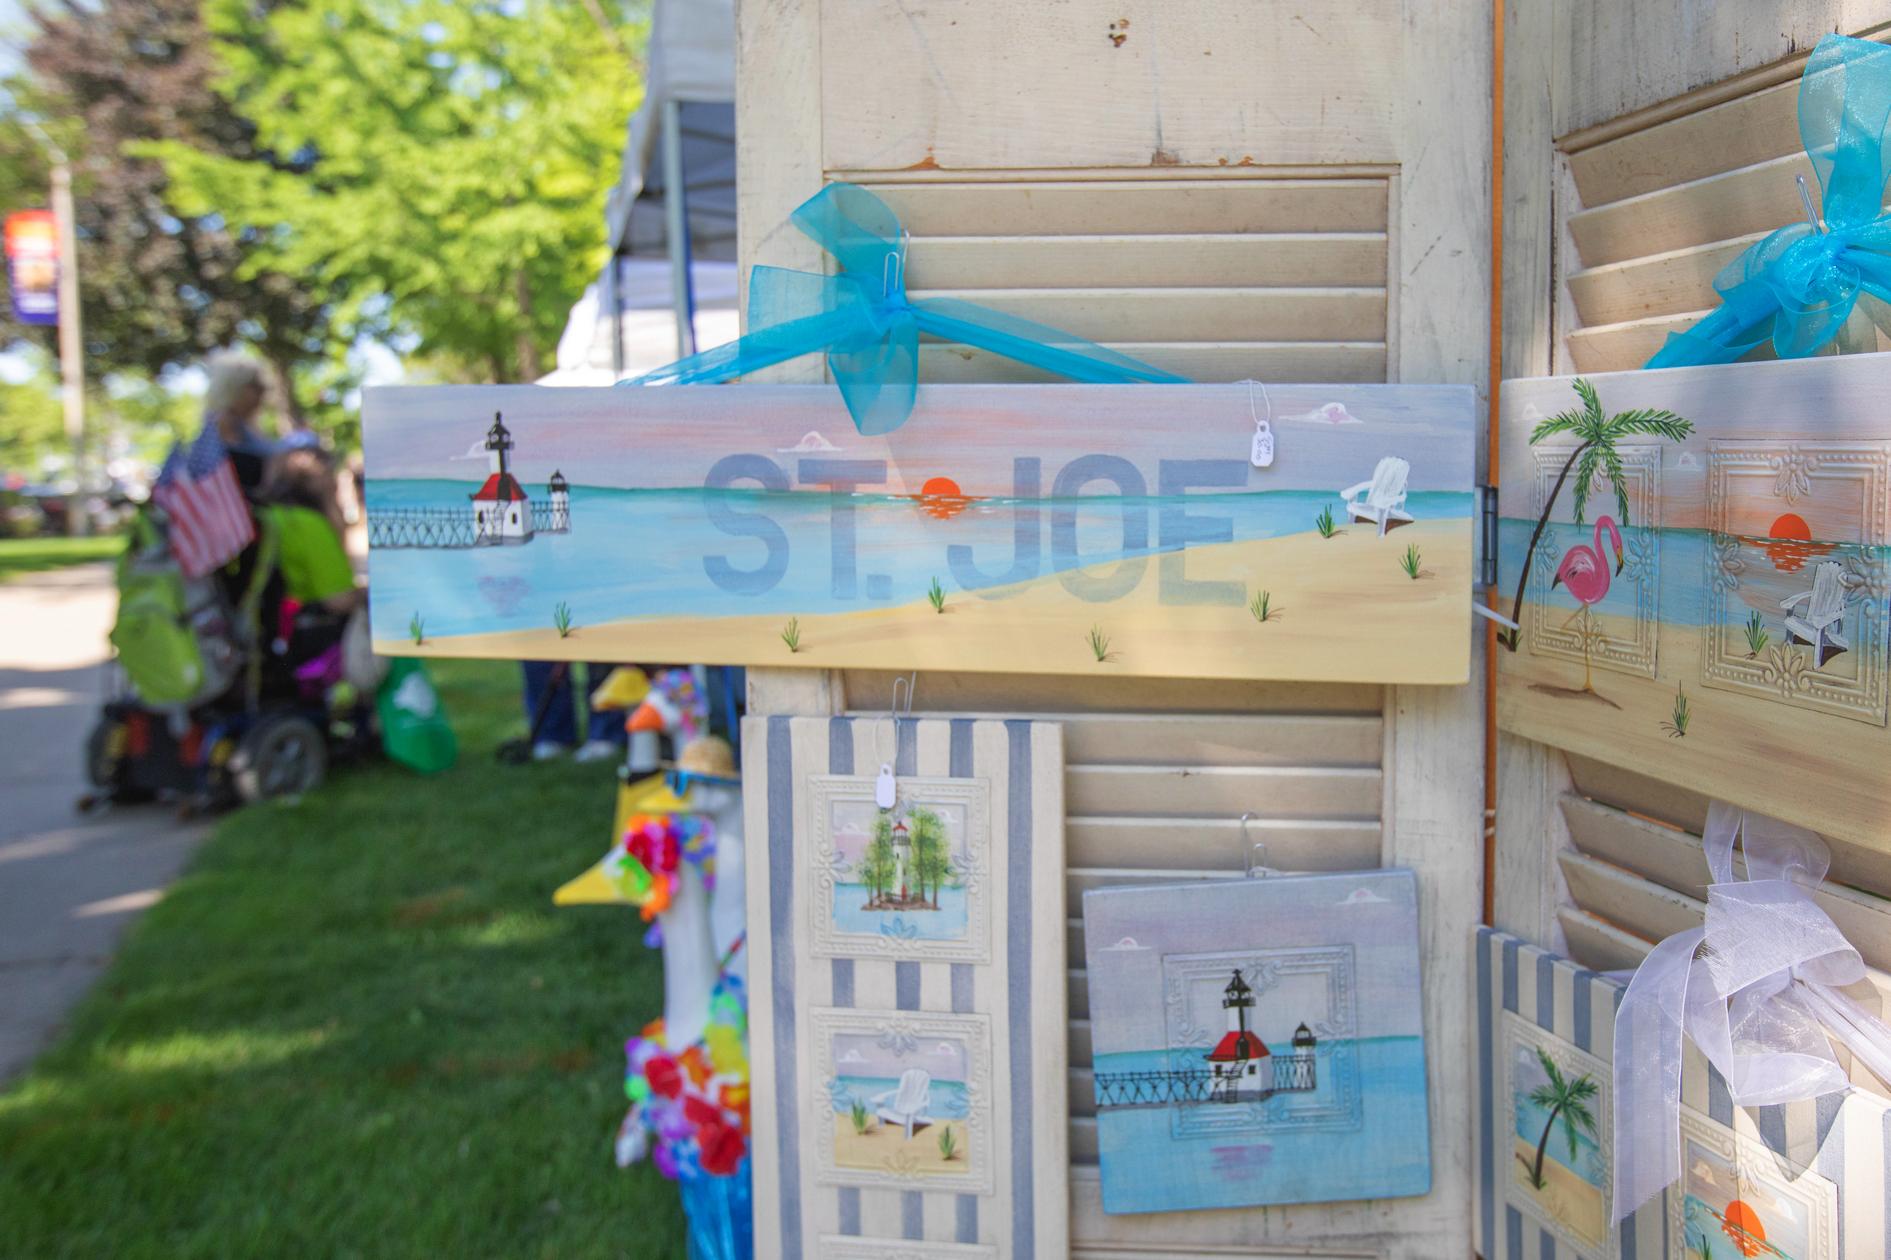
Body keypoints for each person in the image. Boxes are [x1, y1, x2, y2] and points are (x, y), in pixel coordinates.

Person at [201, 351, 277, 493]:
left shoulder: (247, 427)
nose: (262, 394)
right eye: (256, 387)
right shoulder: (220, 424)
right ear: (233, 387)